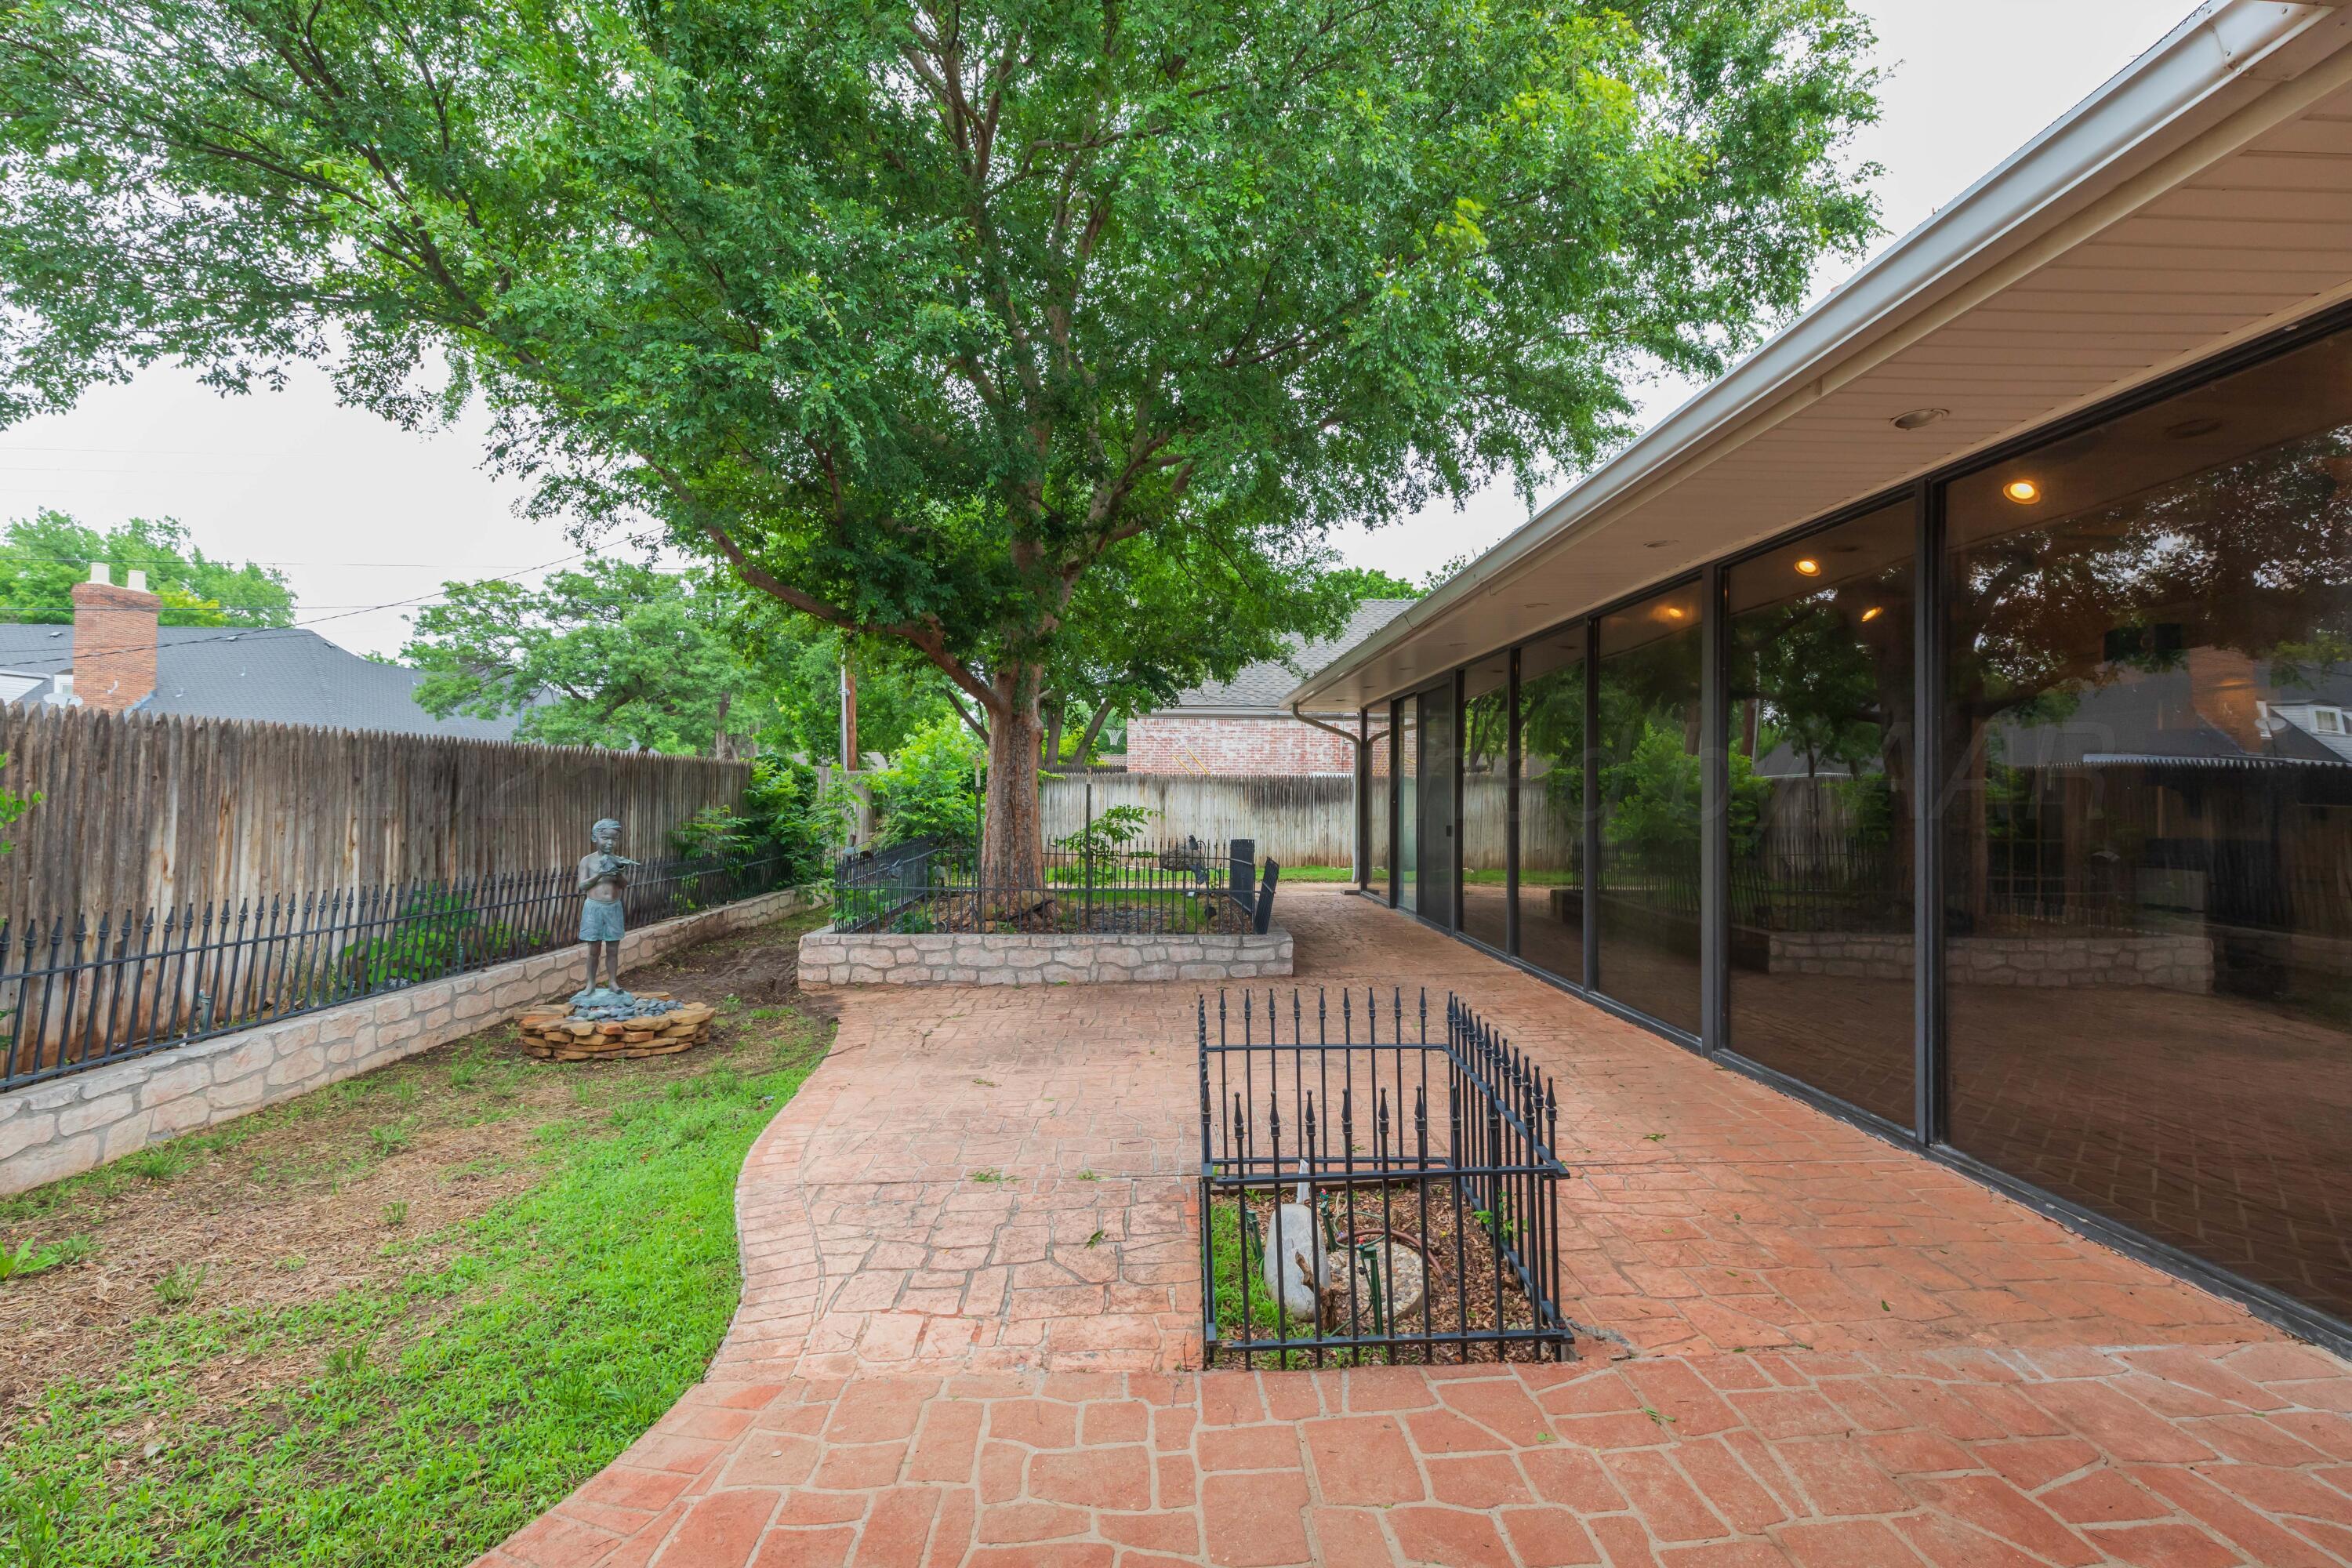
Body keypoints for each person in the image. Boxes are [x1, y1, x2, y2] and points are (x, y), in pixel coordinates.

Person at [575, 817, 637, 994]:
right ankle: (591, 984)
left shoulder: (618, 860)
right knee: (594, 949)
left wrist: (618, 874)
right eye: (606, 838)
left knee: (612, 948)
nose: (610, 843)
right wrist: (600, 875)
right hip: (593, 908)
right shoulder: (587, 861)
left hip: (613, 908)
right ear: (595, 838)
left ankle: (612, 982)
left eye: (614, 839)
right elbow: (582, 886)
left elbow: (623, 885)